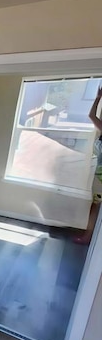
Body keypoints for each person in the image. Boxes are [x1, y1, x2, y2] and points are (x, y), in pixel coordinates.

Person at [74, 85, 102, 244]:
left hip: (100, 176)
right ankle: (89, 236)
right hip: (99, 174)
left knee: (95, 206)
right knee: (95, 205)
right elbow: (91, 115)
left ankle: (89, 237)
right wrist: (98, 98)